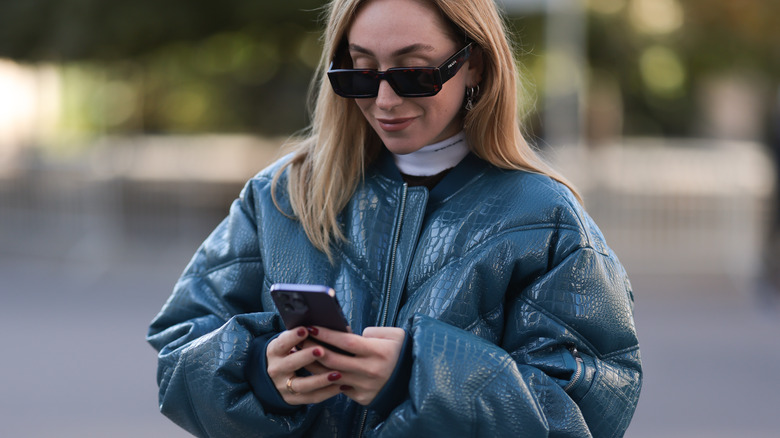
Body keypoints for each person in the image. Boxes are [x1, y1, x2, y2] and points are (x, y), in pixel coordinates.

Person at [147, 0, 642, 436]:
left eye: (414, 73)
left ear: (473, 64)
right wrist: (258, 371)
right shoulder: (281, 195)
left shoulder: (545, 219)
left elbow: (590, 407)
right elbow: (181, 345)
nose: (384, 101)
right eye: (359, 73)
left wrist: (418, 376)